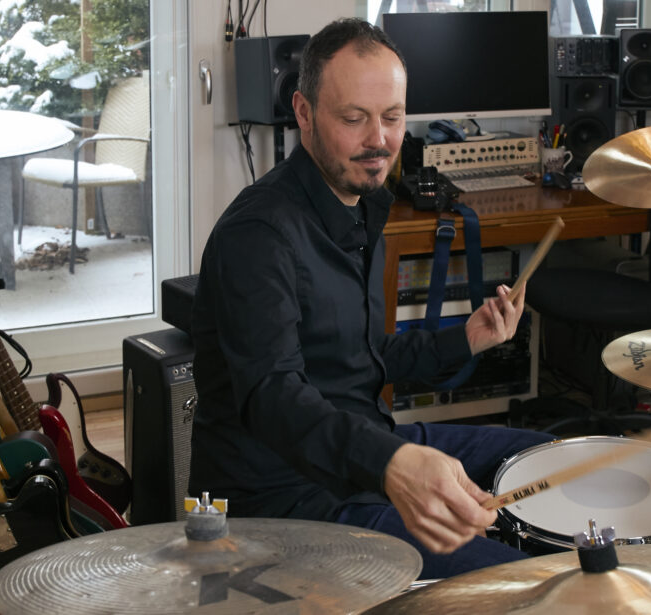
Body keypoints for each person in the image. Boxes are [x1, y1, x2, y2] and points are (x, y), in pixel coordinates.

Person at [189, 17, 553, 579]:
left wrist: (468, 338)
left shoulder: (362, 204)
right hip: (284, 497)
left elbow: (360, 354)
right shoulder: (258, 235)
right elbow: (272, 394)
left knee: (542, 457)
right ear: (304, 113)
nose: (379, 140)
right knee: (521, 582)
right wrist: (391, 463)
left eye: (392, 117)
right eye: (354, 118)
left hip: (363, 446)